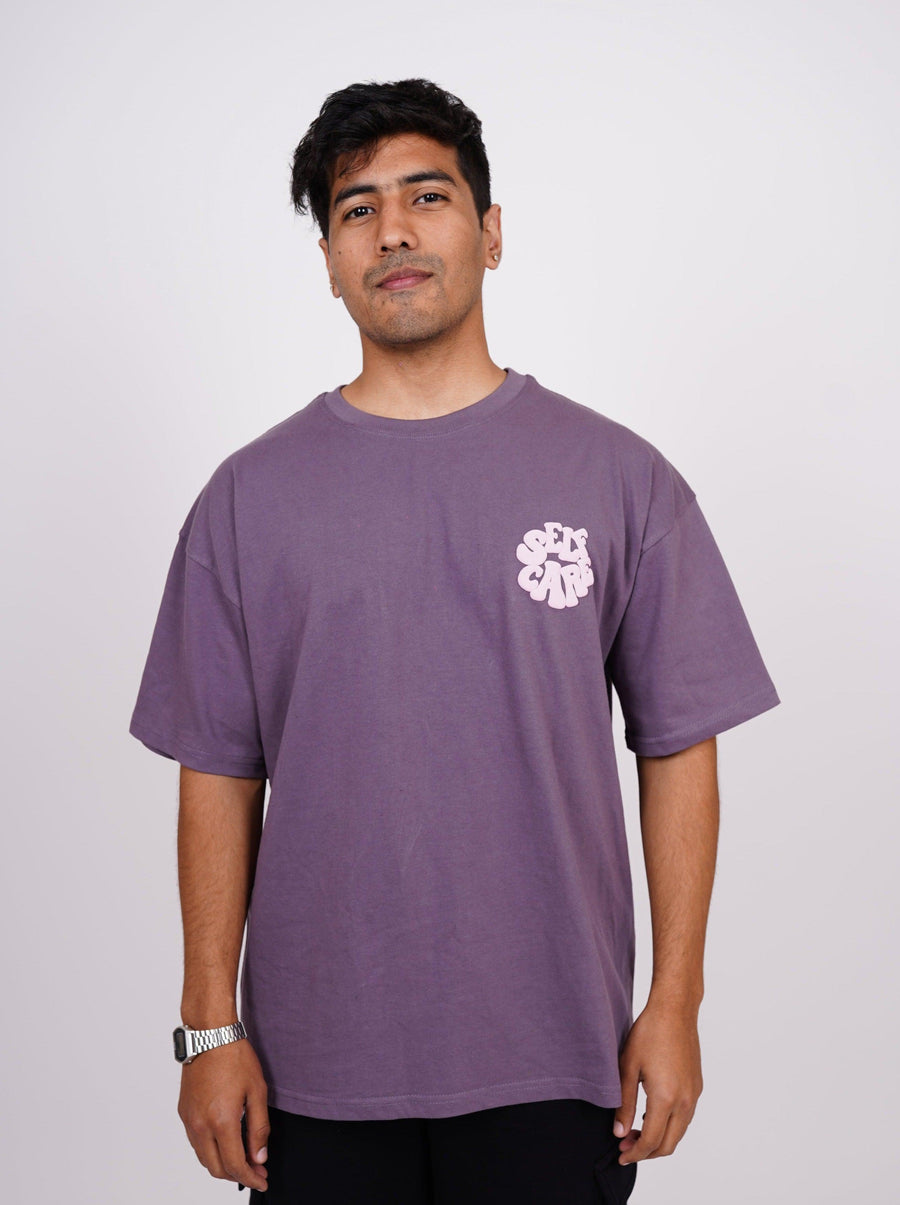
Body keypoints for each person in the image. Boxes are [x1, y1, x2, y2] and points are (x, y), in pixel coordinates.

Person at [128, 77, 781, 1203]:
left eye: (426, 196)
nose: (392, 230)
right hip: (310, 1074)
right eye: (357, 209)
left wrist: (675, 1003)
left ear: (490, 232)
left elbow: (679, 745)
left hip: (556, 1056)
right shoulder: (246, 500)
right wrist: (207, 1027)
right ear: (330, 260)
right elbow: (217, 771)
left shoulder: (620, 479)